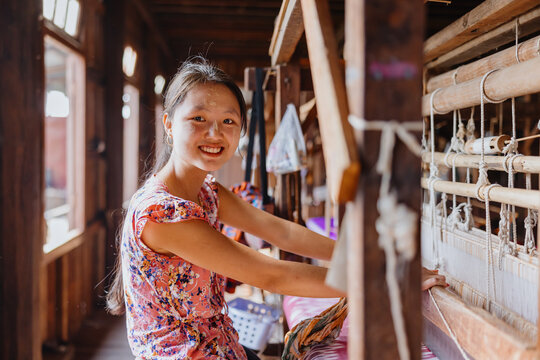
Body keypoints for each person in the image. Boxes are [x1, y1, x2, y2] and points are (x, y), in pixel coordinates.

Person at [106, 57, 447, 360]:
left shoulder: (205, 191)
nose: (215, 133)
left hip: (222, 346)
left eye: (228, 121)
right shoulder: (162, 214)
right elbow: (271, 274)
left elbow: (281, 231)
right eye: (198, 118)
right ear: (168, 124)